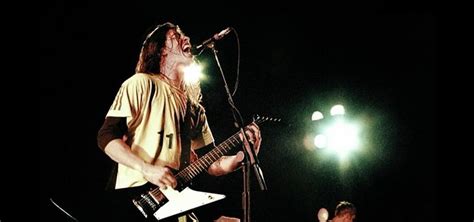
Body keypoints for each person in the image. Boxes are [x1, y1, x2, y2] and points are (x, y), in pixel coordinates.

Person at [97, 22, 262, 222]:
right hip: (137, 199)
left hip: (174, 203)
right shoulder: (141, 83)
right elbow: (107, 137)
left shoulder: (195, 108)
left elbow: (213, 164)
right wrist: (146, 169)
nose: (187, 39)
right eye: (176, 36)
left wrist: (241, 155)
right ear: (161, 50)